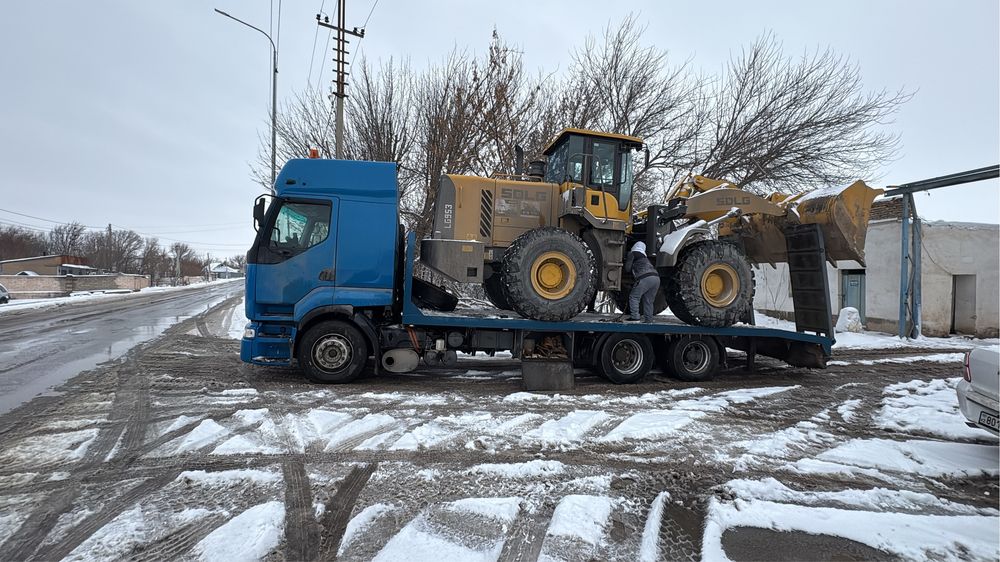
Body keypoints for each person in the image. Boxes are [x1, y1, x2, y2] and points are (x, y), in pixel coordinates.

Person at [623, 241, 660, 323]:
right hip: (656, 278)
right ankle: (648, 320)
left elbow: (627, 268)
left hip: (645, 277)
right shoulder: (645, 258)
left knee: (634, 297)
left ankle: (635, 317)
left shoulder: (632, 253)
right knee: (649, 301)